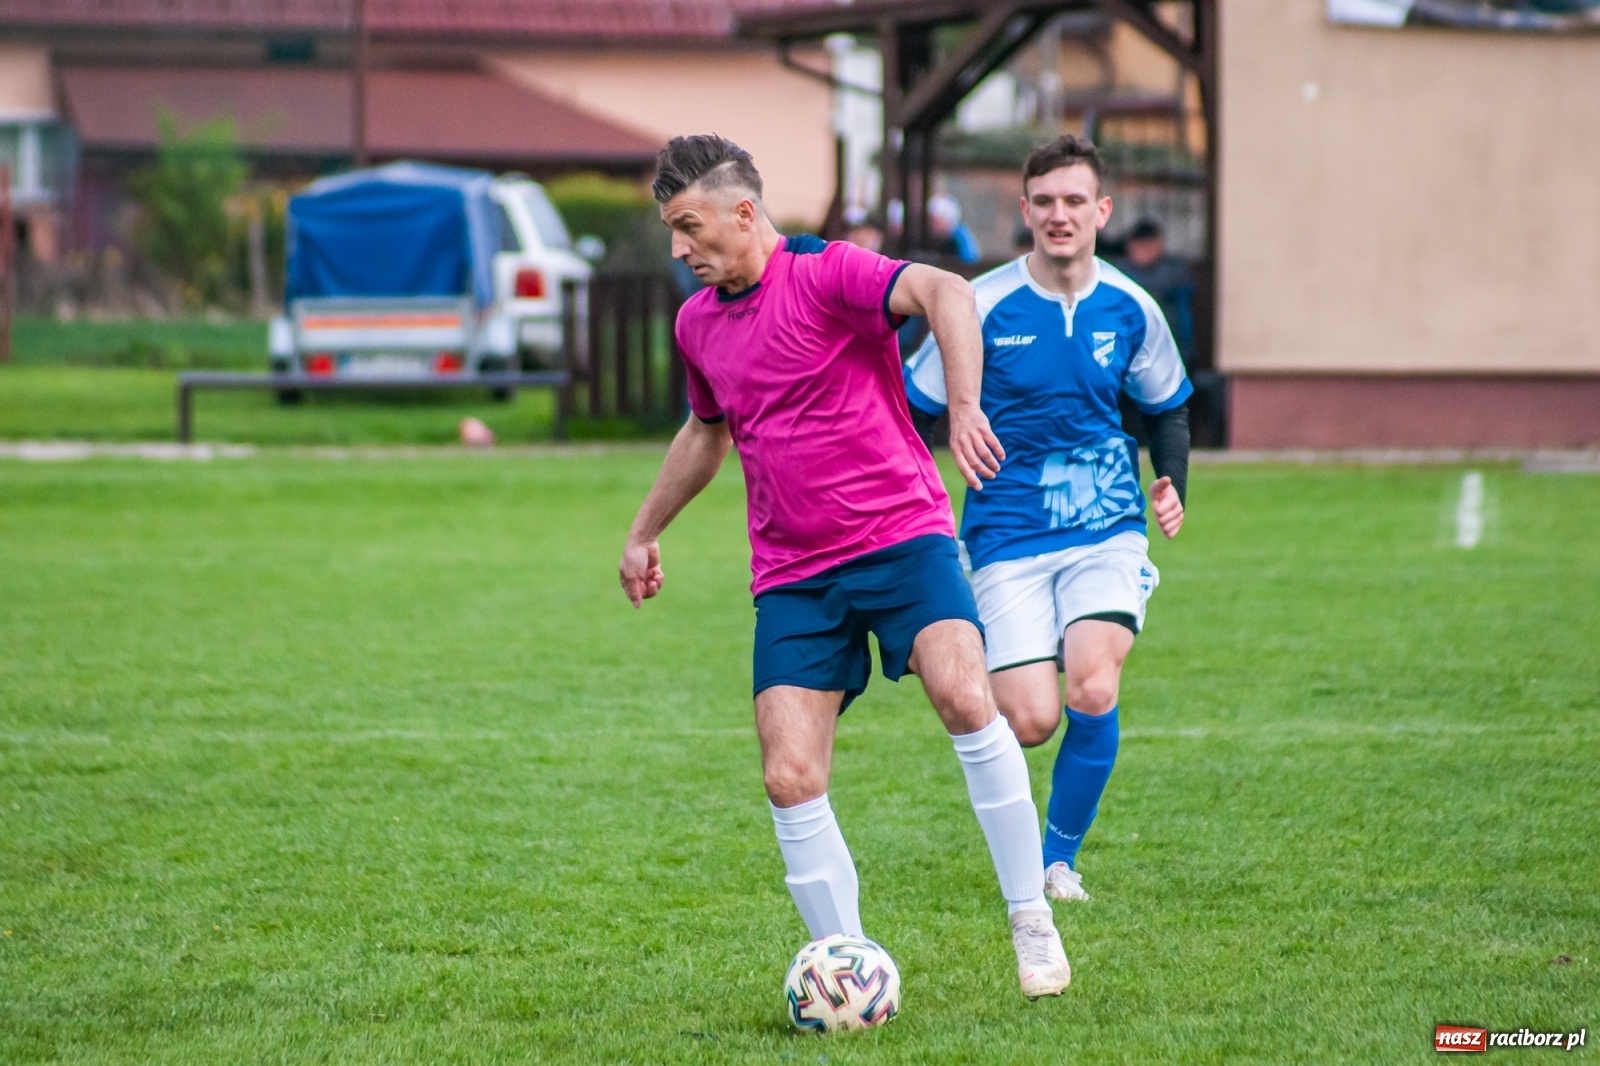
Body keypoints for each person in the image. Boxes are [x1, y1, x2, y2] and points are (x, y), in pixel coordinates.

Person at [618, 135, 1073, 999]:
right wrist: (644, 530)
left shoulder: (825, 273)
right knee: (789, 775)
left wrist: (967, 404)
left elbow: (943, 289)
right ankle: (847, 970)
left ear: (743, 214)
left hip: (901, 534)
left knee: (966, 695)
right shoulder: (696, 324)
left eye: (687, 226)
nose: (678, 248)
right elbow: (705, 431)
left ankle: (1029, 915)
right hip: (792, 571)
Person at [902, 135, 1191, 903]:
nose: (1060, 216)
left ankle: (1053, 863)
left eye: (1075, 201)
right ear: (1024, 211)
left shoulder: (1132, 306)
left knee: (1093, 683)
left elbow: (1167, 407)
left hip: (1106, 524)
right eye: (1045, 202)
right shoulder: (981, 304)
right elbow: (912, 409)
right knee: (1030, 720)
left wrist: (1172, 483)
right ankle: (1037, 668)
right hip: (1005, 534)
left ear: (1101, 211)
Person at [1111, 217, 1195, 365]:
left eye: (1147, 245)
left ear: (1159, 244)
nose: (1142, 251)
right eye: (1138, 245)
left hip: (1167, 349)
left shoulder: (1173, 270)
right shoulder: (1118, 271)